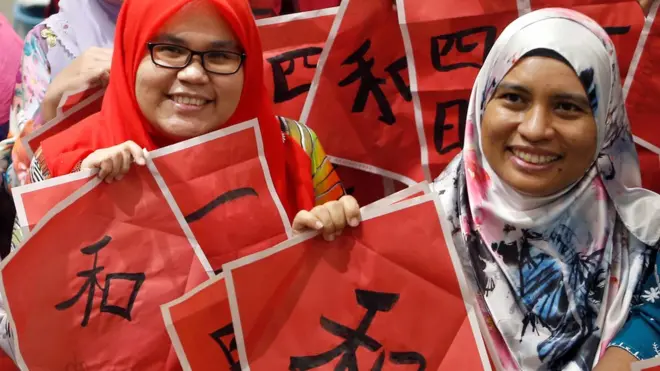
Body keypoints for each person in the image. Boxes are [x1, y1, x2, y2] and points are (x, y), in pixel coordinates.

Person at [430, 8, 660, 370]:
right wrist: (328, 248)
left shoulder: (647, 237)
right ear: (481, 104)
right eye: (514, 99)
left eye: (567, 107)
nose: (536, 129)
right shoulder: (418, 226)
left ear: (605, 122)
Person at [2, 0, 120, 189]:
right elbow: (16, 181)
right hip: (75, 209)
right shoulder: (48, 44)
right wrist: (51, 105)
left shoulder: (176, 38)